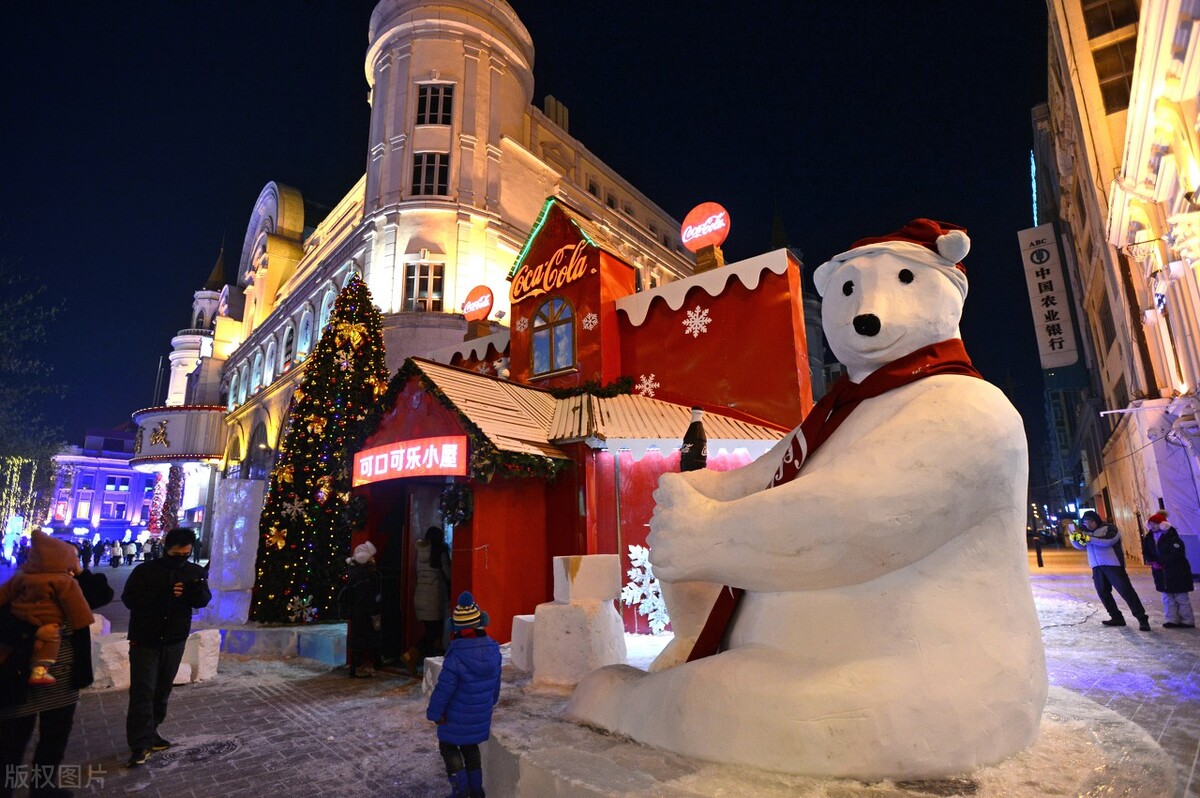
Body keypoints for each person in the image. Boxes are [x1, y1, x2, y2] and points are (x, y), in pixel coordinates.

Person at [1, 541, 111, 798]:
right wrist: (34, 631)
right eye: (69, 557)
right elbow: (3, 622)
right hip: (22, 676)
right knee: (12, 744)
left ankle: (43, 788)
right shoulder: (24, 584)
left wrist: (80, 571)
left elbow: (102, 594)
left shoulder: (71, 585)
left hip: (64, 678)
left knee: (54, 740)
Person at [121, 527, 211, 768]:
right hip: (145, 640)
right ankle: (139, 745)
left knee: (161, 691)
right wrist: (163, 595)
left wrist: (195, 594)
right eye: (175, 554)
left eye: (185, 554)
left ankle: (152, 731)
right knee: (143, 691)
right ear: (165, 549)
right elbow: (130, 599)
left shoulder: (194, 572)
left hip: (174, 639)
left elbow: (203, 599)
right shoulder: (145, 571)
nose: (180, 559)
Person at [426, 592, 501, 798]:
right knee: (470, 748)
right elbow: (495, 685)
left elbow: (444, 689)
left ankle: (460, 789)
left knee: (449, 746)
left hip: (454, 715)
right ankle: (476, 791)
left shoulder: (456, 655)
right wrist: (489, 703)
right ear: (480, 622)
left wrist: (435, 713)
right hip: (480, 713)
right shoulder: (494, 650)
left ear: (455, 628)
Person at [0, 531, 94, 686]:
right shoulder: (65, 581)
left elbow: (4, 593)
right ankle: (40, 670)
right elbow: (78, 608)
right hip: (47, 626)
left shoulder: (22, 577)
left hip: (22, 614)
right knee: (51, 640)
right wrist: (83, 621)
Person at [1071, 510, 1152, 631]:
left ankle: (1142, 618)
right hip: (1096, 566)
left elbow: (1107, 541)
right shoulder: (1086, 532)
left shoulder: (1110, 528)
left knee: (1126, 591)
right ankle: (1116, 617)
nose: (1086, 525)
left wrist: (1088, 538)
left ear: (1095, 521)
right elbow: (1082, 546)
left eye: (1088, 522)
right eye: (1084, 523)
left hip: (1113, 565)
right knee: (1103, 592)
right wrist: (1074, 539)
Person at [405, 526, 451, 673]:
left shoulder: (420, 552)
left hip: (420, 596)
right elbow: (449, 574)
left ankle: (427, 663)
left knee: (431, 631)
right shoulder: (440, 551)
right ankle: (410, 655)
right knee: (434, 633)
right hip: (433, 597)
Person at [1142, 511, 1196, 629]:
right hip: (1161, 572)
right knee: (1167, 597)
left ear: (1163, 524)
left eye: (1155, 524)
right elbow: (1146, 552)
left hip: (1177, 571)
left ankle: (1187, 620)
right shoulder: (1149, 538)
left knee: (1181, 597)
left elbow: (1176, 554)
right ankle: (1171, 619)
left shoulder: (1172, 537)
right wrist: (1152, 562)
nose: (1152, 526)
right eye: (1150, 524)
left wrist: (1162, 563)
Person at [343, 541, 384, 678]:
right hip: (364, 612)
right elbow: (367, 597)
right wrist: (374, 611)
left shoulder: (355, 572)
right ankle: (358, 668)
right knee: (365, 638)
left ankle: (357, 666)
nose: (373, 560)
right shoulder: (365, 576)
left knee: (359, 639)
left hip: (357, 611)